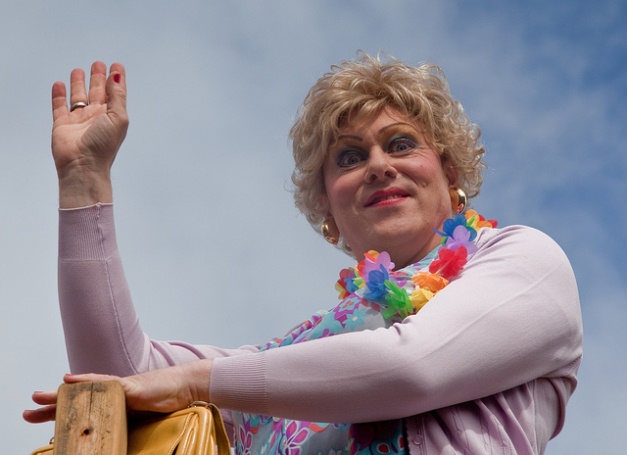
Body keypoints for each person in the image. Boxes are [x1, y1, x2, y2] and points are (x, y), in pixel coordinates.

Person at [24, 54, 583, 454]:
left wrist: (197, 381)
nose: (378, 165)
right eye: (349, 157)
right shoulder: (288, 357)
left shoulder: (524, 261)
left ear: (450, 172)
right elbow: (115, 381)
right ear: (327, 208)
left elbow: (412, 366)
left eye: (401, 143)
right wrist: (84, 178)